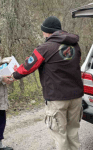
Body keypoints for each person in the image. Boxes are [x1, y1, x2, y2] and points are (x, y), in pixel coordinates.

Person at [11, 16, 84, 150]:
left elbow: (28, 67)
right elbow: (70, 63)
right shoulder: (75, 45)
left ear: (47, 32)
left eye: (43, 31)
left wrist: (14, 75)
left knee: (60, 135)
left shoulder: (45, 47)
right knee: (73, 133)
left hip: (57, 98)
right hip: (76, 96)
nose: (42, 33)